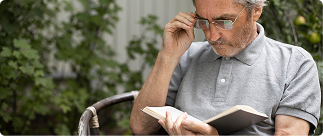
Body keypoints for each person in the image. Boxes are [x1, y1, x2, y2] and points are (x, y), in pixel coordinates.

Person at [129, 0, 321, 135]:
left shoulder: (295, 63)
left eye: (224, 21)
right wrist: (168, 55)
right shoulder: (186, 56)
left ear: (255, 10)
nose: (212, 36)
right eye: (203, 21)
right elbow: (141, 128)